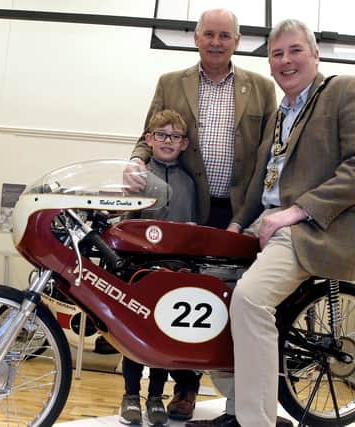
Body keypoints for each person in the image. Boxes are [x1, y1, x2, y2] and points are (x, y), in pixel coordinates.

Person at [185, 18, 355, 427]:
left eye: (295, 51)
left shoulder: (347, 90)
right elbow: (262, 179)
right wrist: (237, 225)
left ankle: (255, 422)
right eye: (277, 54)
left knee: (250, 299)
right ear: (270, 64)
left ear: (315, 54)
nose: (285, 61)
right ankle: (239, 406)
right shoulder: (280, 114)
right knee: (213, 299)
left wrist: (296, 211)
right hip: (270, 225)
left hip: (314, 228)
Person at [128, 8, 277, 420]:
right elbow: (146, 136)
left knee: (226, 301)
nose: (216, 41)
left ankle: (213, 396)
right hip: (185, 204)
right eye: (208, 34)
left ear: (237, 40)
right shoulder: (170, 83)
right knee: (179, 295)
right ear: (196, 38)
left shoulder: (262, 88)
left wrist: (253, 212)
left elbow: (267, 154)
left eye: (224, 35)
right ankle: (175, 386)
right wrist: (136, 164)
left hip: (237, 209)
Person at [119, 109, 196, 426]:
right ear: (148, 139)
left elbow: (191, 228)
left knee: (163, 336)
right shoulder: (137, 177)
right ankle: (130, 395)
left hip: (172, 272)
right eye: (161, 135)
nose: (167, 141)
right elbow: (126, 222)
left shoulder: (189, 184)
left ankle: (155, 397)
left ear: (185, 143)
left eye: (174, 136)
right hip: (138, 269)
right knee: (133, 338)